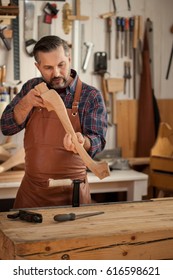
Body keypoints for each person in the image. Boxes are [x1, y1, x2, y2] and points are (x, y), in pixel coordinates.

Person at [1, 35, 107, 208]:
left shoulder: (90, 95)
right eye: (48, 68)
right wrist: (26, 102)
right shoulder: (31, 89)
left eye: (61, 65)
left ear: (69, 59)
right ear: (38, 67)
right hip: (33, 192)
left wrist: (83, 141)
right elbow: (6, 127)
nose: (56, 73)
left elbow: (98, 140)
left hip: (73, 191)